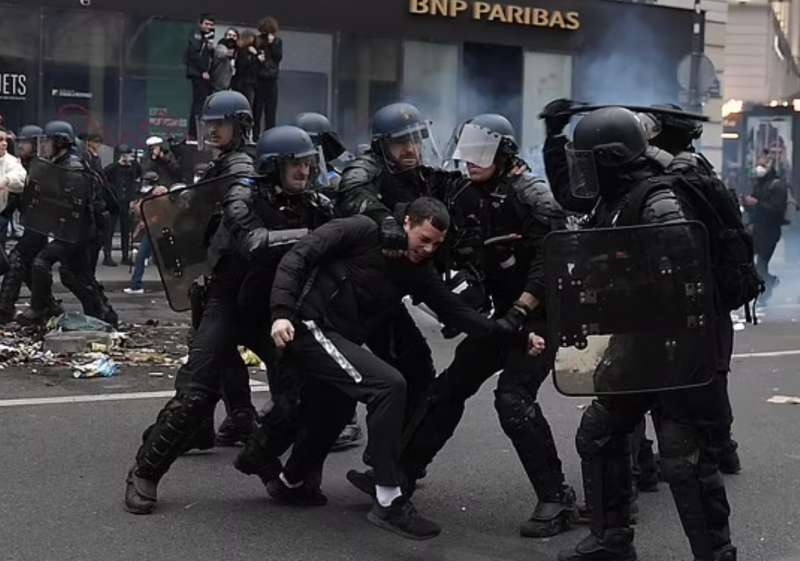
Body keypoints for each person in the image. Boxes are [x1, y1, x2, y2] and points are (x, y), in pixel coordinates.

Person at [347, 113, 577, 538]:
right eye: (466, 149)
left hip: (545, 315)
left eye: (481, 151)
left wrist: (522, 310)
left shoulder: (533, 197)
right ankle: (401, 476)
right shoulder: (466, 195)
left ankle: (556, 498)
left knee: (513, 400)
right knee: (447, 389)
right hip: (503, 316)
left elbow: (553, 260)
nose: (470, 160)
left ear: (504, 155)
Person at [265, 197, 541, 539]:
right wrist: (280, 313)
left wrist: (516, 335)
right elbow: (298, 255)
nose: (427, 249)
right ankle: (388, 500)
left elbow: (456, 312)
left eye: (436, 245)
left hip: (338, 337)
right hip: (306, 326)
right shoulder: (362, 230)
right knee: (387, 385)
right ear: (407, 222)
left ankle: (290, 481)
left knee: (334, 406)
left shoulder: (417, 272)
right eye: (423, 239)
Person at [549, 107, 736, 561]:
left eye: (586, 160)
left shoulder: (660, 200)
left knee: (683, 461)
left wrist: (620, 281)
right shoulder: (613, 196)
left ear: (610, 159)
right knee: (598, 435)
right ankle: (611, 540)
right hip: (636, 343)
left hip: (676, 346)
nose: (582, 171)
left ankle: (716, 554)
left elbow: (685, 278)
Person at [124, 90, 294, 514]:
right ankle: (144, 472)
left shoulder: (242, 166)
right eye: (209, 123)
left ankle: (264, 460)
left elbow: (241, 212)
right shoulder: (223, 166)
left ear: (242, 123)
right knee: (196, 392)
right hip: (223, 294)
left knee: (295, 388)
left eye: (221, 122)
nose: (212, 129)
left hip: (252, 298)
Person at [335, 102, 460, 437]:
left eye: (415, 139)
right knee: (332, 375)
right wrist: (384, 220)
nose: (410, 148)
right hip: (351, 291)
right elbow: (352, 189)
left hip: (388, 295)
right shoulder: (370, 166)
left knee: (417, 370)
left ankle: (393, 458)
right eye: (401, 142)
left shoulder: (422, 177)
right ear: (383, 145)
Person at [16, 121, 116, 326]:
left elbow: (73, 206)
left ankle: (38, 309)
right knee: (76, 276)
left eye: (50, 140)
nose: (45, 145)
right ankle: (101, 314)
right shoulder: (60, 163)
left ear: (60, 142)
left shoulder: (73, 167)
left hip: (77, 231)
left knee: (41, 262)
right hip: (72, 231)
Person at [744, 151, 788, 304]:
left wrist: (757, 204)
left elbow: (776, 209)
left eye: (763, 165)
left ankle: (765, 290)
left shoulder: (778, 185)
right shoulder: (759, 183)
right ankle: (767, 283)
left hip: (770, 231)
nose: (759, 168)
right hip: (757, 229)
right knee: (751, 263)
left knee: (761, 263)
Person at [125, 172, 162, 295]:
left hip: (157, 230)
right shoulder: (144, 194)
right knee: (144, 257)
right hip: (150, 230)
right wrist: (134, 207)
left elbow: (161, 213)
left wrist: (147, 221)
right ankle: (136, 285)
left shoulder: (159, 194)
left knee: (145, 256)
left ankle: (136, 285)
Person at [104, 145, 141, 267]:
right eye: (126, 155)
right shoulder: (112, 168)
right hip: (114, 202)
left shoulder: (134, 167)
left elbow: (138, 178)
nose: (128, 158)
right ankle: (107, 256)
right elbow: (104, 181)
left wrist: (134, 197)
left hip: (127, 201)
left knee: (126, 230)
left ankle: (125, 256)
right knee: (109, 230)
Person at [185, 13, 215, 140]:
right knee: (199, 103)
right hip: (197, 73)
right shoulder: (196, 35)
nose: (208, 27)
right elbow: (194, 53)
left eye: (211, 25)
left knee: (201, 102)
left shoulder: (207, 37)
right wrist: (203, 70)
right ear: (200, 24)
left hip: (204, 74)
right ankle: (195, 132)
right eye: (206, 24)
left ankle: (195, 132)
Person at [253, 16, 283, 134]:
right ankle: (255, 136)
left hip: (271, 79)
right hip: (259, 79)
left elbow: (278, 57)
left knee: (270, 111)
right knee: (257, 110)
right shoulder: (257, 40)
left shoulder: (277, 41)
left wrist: (271, 44)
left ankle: (270, 135)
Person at [0, 127, 27, 244]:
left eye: (6, 140)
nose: (4, 143)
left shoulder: (12, 161)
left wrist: (7, 179)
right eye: (0, 140)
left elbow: (21, 178)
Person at [232, 31, 259, 108]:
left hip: (242, 81)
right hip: (246, 81)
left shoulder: (239, 50)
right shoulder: (242, 51)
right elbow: (243, 64)